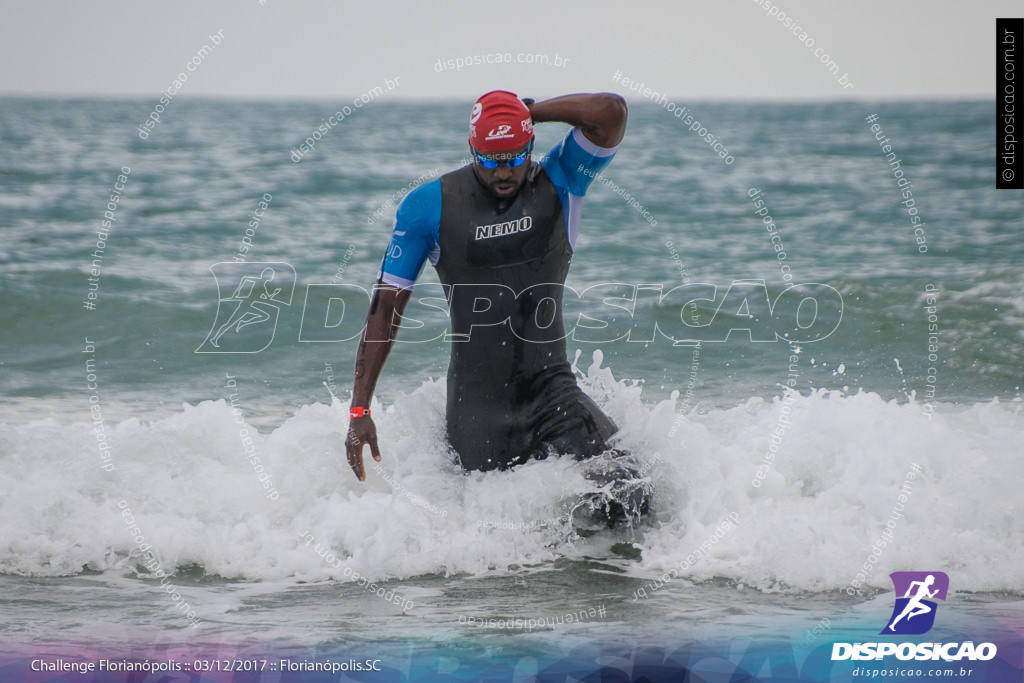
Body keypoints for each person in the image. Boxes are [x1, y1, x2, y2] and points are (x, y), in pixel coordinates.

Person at [344, 90, 637, 508]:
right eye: (490, 160)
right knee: (489, 537)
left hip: (553, 392)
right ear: (471, 149)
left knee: (629, 493)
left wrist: (529, 111)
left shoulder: (562, 180)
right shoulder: (430, 206)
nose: (503, 172)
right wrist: (360, 410)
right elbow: (385, 309)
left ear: (530, 144)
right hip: (477, 409)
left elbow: (611, 113)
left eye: (515, 159)